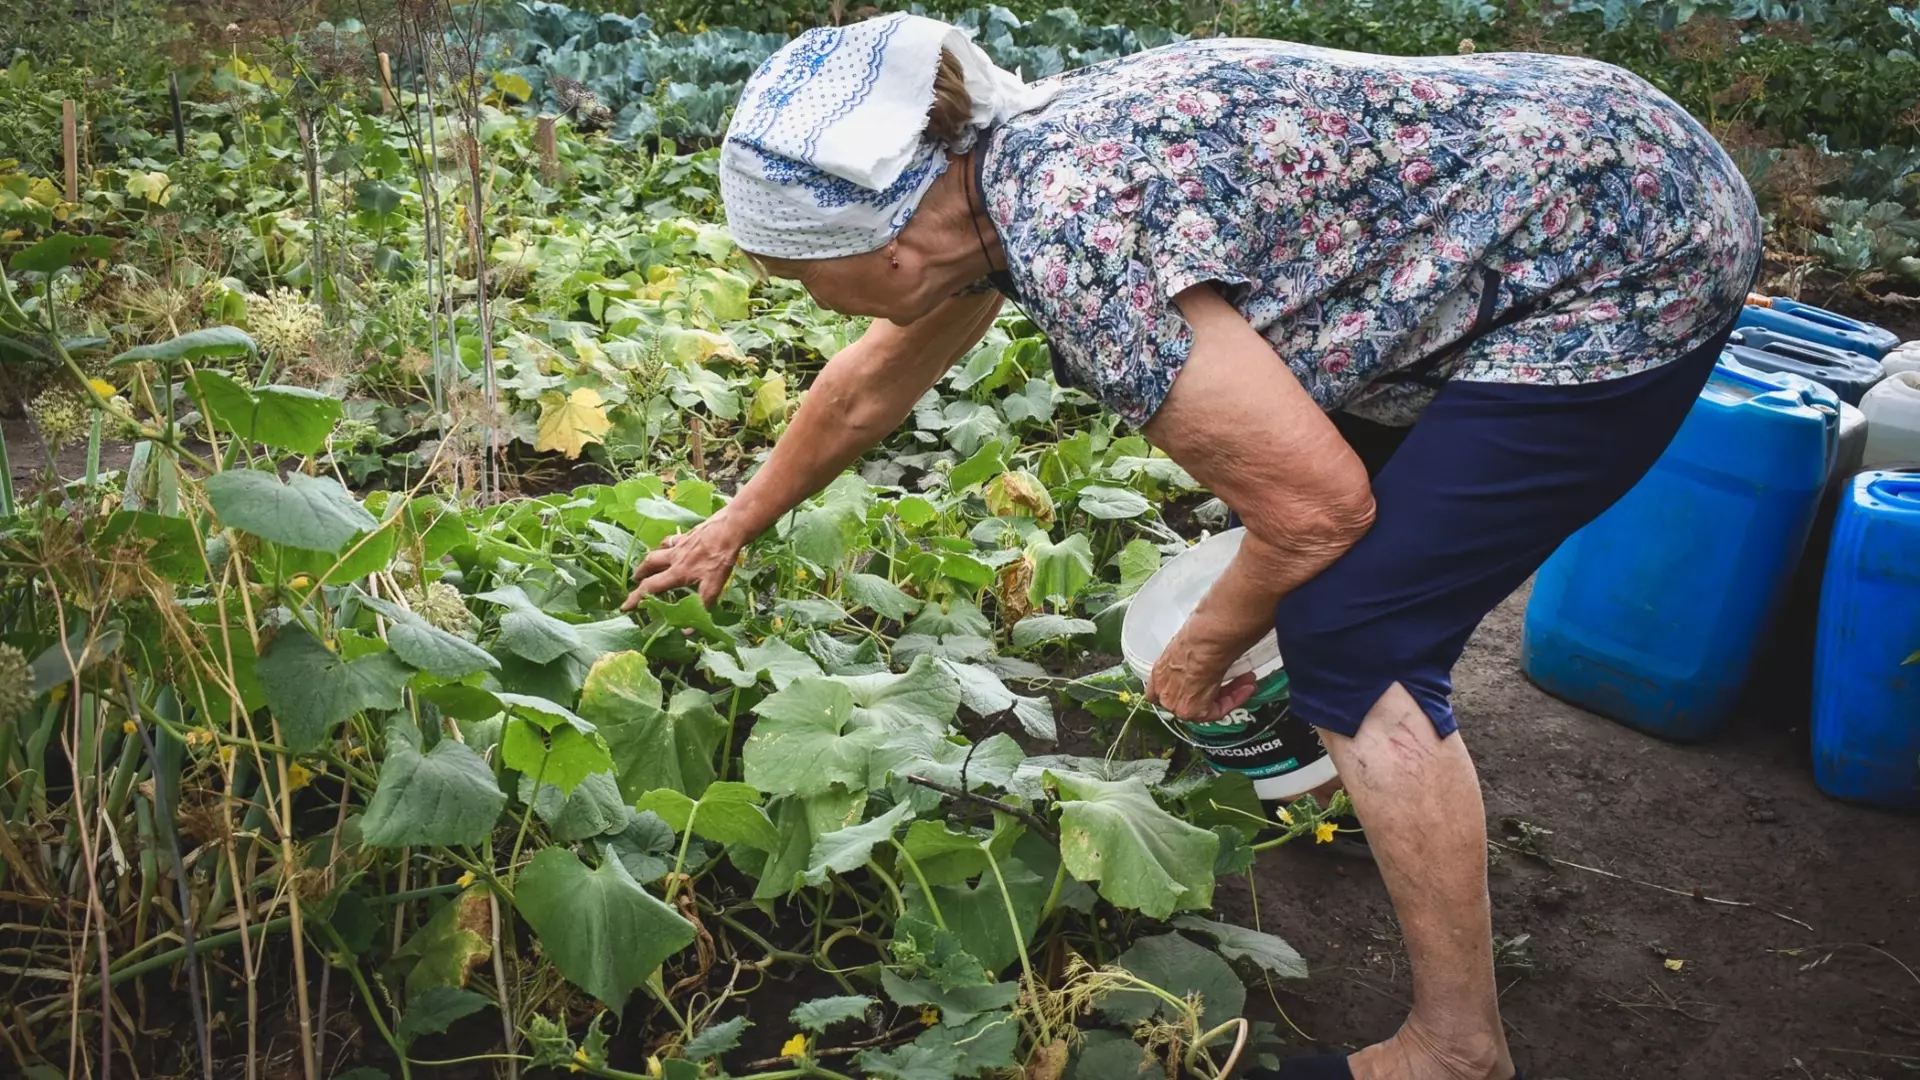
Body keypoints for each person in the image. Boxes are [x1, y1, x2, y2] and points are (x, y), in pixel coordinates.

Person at [624, 14, 1761, 1080]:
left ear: (885, 246)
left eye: (791, 273)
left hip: (1626, 254)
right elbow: (869, 385)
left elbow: (1317, 514)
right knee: (1328, 564)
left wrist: (1196, 656)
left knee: (1350, 628)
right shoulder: (989, 172)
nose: (802, 296)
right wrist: (734, 524)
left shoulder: (1072, 241)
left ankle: (1452, 1049)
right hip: (1569, 151)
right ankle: (1354, 769)